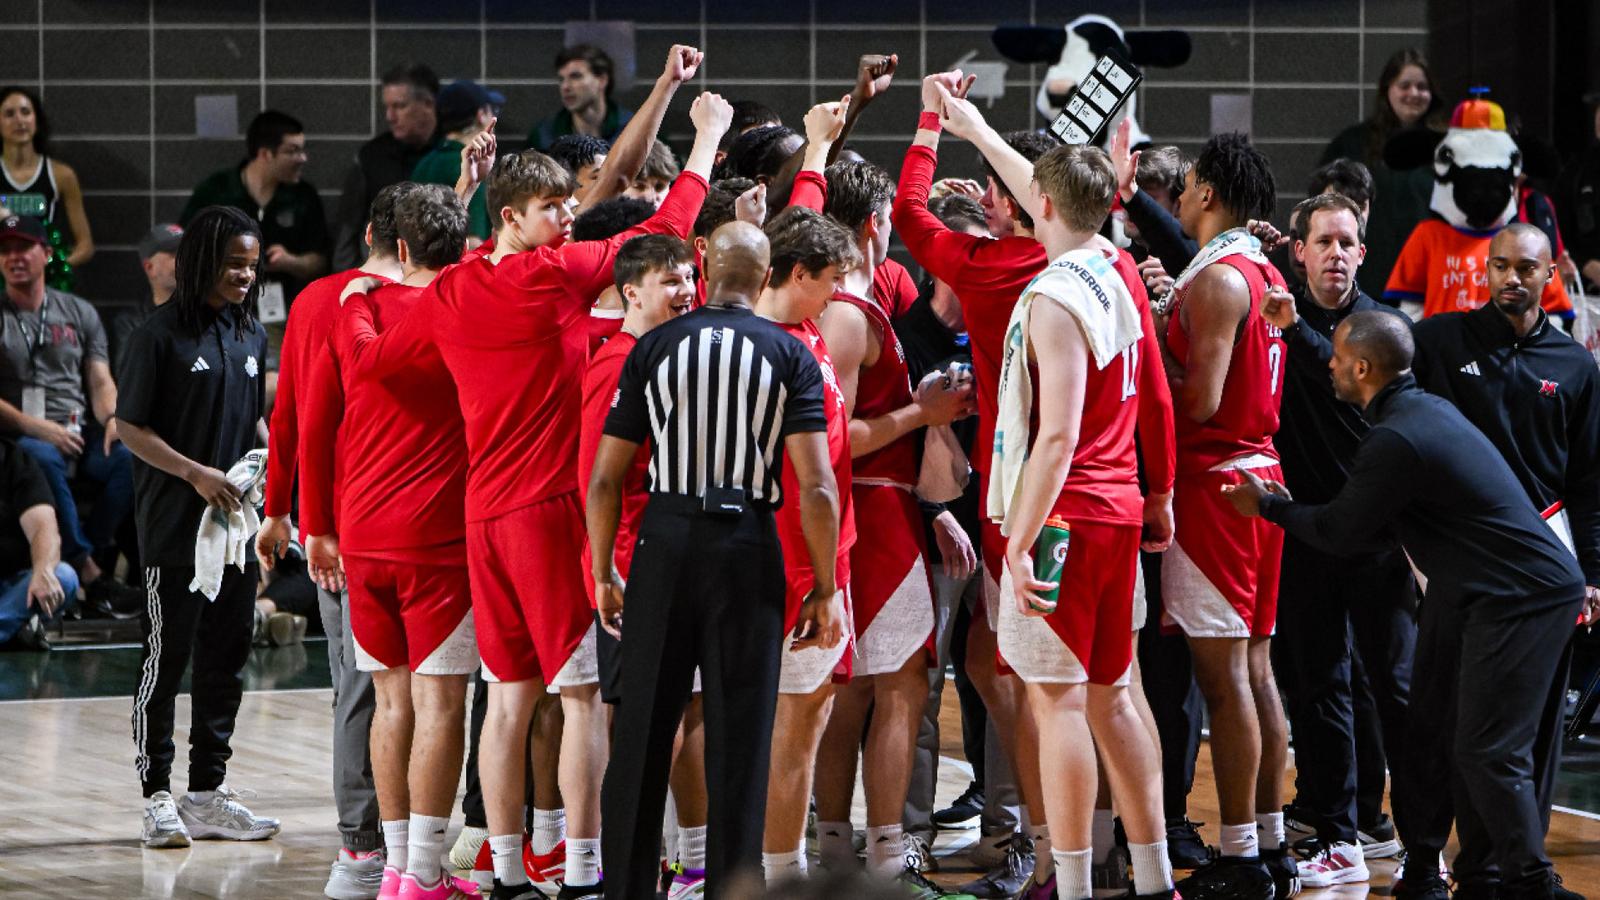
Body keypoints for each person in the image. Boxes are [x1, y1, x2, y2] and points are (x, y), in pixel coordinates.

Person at [332, 47, 722, 900]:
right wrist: (702, 143)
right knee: (579, 700)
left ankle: (506, 872)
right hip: (548, 514)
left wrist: (358, 298)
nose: (567, 221)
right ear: (514, 217)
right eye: (553, 209)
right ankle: (582, 873)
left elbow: (373, 365)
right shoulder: (552, 275)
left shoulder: (451, 290)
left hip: (482, 520)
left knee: (508, 701)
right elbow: (658, 234)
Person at [1221, 309, 1591, 900]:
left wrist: (1268, 507)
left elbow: (1340, 532)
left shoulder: (1398, 437)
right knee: (1428, 731)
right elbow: (1359, 523)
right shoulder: (1414, 412)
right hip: (1467, 588)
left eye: (1340, 359)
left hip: (1524, 594)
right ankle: (1429, 870)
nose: (1331, 366)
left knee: (1488, 749)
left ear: (1363, 369)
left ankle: (1529, 883)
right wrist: (1295, 332)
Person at [590, 220, 843, 898]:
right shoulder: (788, 353)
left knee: (642, 734)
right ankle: (733, 889)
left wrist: (603, 572)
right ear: (764, 277)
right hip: (747, 547)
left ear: (705, 271)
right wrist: (825, 587)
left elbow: (605, 480)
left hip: (665, 543)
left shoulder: (654, 346)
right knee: (741, 740)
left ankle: (625, 891)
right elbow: (818, 488)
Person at [983, 139, 1177, 900]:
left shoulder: (1056, 295)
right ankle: (1156, 879)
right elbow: (1149, 395)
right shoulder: (1116, 268)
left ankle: (1071, 886)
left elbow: (1058, 436)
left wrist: (1020, 539)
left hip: (1067, 518)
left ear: (1043, 204)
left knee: (1057, 700)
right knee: (1114, 694)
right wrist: (1159, 491)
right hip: (1119, 505)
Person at [1408, 223, 1600, 900]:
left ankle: (1501, 871)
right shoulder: (1439, 342)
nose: (1510, 278)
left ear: (1550, 276)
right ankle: (1422, 862)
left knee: (1529, 731)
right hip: (1455, 568)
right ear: (1485, 270)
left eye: (1525, 268)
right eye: (1499, 266)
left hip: (1542, 578)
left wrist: (1593, 574)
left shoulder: (1576, 367)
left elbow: (1588, 482)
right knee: (1437, 719)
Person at [301, 183, 479, 900]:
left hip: (363, 539)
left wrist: (315, 524)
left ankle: (395, 869)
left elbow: (314, 422)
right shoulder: (474, 308)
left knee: (388, 701)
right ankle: (424, 872)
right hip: (437, 540)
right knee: (440, 707)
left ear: (398, 247)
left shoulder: (355, 308)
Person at [903, 77, 1056, 895]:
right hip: (1072, 500)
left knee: (1024, 678)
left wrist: (938, 122)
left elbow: (907, 212)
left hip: (1021, 506)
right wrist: (1161, 492)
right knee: (985, 670)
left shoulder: (999, 272)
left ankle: (1036, 845)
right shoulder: (1100, 264)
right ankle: (1079, 853)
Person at [811, 156, 971, 884]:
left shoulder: (845, 305)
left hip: (871, 507)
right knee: (897, 685)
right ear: (873, 226)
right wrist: (921, 413)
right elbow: (834, 438)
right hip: (870, 509)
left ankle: (840, 852)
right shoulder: (849, 312)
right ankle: (880, 859)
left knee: (853, 689)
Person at [254, 183, 409, 899]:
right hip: (391, 530)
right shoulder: (436, 298)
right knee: (413, 693)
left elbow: (289, 416)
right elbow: (306, 416)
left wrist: (281, 513)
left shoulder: (318, 298)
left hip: (340, 527)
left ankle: (372, 847)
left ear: (370, 233)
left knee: (363, 688)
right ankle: (381, 848)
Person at [1256, 193, 1415, 888]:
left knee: (1392, 690)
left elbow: (1341, 384)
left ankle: (1415, 837)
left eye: (1347, 242)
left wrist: (1295, 330)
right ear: (1299, 251)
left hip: (1378, 543)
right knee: (1318, 686)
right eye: (1323, 242)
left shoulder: (1379, 329)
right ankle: (1337, 832)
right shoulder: (1277, 312)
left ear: (1363, 252)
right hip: (1308, 535)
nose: (1336, 254)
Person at [1153, 131, 1296, 899]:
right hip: (1261, 479)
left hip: (1219, 486)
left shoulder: (1217, 281)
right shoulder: (1261, 268)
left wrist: (1149, 350)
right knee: (1256, 670)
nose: (1179, 197)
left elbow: (1200, 401)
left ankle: (1241, 857)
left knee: (1225, 680)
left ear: (1208, 192)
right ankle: (1270, 843)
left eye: (1185, 186)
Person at [116, 205, 277, 850]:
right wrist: (193, 474)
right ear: (203, 261)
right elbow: (130, 426)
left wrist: (270, 459)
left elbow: (253, 420)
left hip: (235, 527)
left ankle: (207, 793)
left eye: (251, 264)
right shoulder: (156, 336)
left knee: (225, 660)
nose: (245, 274)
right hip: (173, 527)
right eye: (234, 263)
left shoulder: (250, 334)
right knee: (166, 660)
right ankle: (156, 795)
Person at [576, 234, 707, 896]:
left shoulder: (666, 354)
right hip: (633, 567)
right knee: (641, 726)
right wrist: (607, 572)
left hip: (674, 561)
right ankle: (633, 867)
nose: (687, 291)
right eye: (670, 281)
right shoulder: (618, 365)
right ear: (631, 292)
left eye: (689, 277)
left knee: (686, 712)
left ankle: (691, 862)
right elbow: (597, 482)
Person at [0, 214, 137, 608]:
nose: (14, 257)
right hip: (20, 432)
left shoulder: (79, 312)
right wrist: (36, 427)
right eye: (6, 251)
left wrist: (112, 419)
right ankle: (90, 573)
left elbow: (99, 379)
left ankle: (87, 554)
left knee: (129, 457)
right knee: (40, 456)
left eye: (24, 248)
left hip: (77, 428)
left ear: (46, 253)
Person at [181, 110, 330, 369]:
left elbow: (320, 260)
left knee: (274, 374)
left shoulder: (303, 196)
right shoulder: (216, 191)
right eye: (292, 151)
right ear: (265, 154)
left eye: (302, 150)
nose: (302, 158)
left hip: (278, 311)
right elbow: (186, 249)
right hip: (219, 309)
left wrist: (290, 262)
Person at [1319, 48, 1442, 300]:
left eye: (1422, 87)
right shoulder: (1354, 143)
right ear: (1388, 90)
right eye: (1404, 86)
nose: (1414, 93)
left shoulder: (1446, 147)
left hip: (1427, 273)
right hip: (1371, 269)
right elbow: (1321, 202)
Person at [332, 63, 441, 271]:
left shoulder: (455, 154)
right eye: (388, 107)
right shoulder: (372, 157)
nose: (390, 116)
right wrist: (348, 280)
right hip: (383, 275)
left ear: (428, 104)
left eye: (399, 106)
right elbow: (348, 229)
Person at [0, 86, 94, 278]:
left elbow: (85, 245)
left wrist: (54, 266)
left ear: (36, 120)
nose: (19, 120)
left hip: (44, 281)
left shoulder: (61, 175)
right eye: (9, 114)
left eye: (25, 112)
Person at [0, 435, 77, 651]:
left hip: (8, 586)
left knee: (63, 576)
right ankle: (12, 628)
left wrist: (43, 570)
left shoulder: (15, 460)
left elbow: (44, 527)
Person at [411, 80, 505, 240]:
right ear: (481, 114)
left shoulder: (424, 163)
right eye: (492, 110)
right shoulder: (472, 167)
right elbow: (473, 241)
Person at [528, 45, 634, 151]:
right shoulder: (544, 135)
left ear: (602, 80)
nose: (565, 86)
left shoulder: (631, 129)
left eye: (576, 76)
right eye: (561, 79)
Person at [111, 224, 183, 374]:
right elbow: (131, 374)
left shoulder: (208, 315)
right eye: (174, 253)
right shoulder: (132, 323)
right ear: (150, 267)